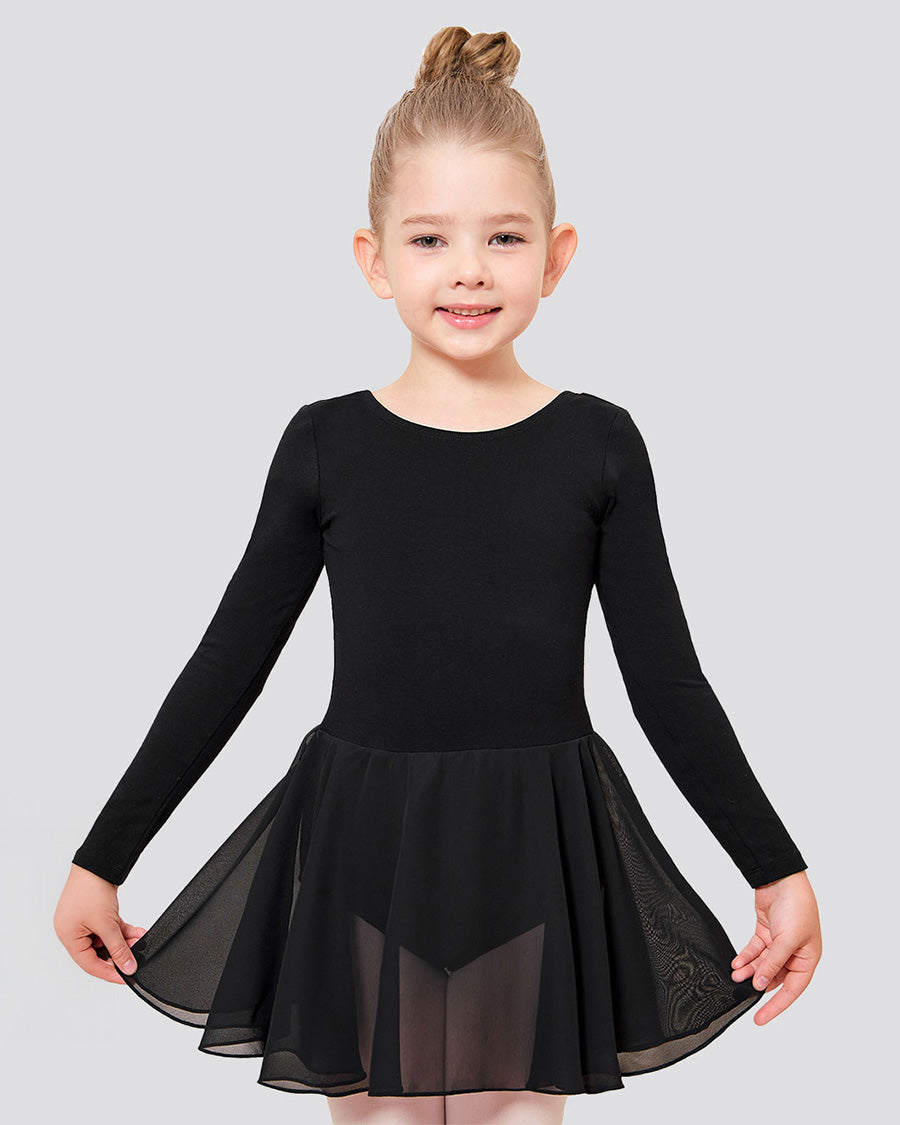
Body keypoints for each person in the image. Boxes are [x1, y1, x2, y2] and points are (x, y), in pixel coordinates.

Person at [54, 25, 822, 1125]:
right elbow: (228, 663)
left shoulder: (598, 444)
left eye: (504, 236)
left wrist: (775, 866)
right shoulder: (327, 444)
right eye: (430, 239)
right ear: (374, 259)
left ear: (557, 255)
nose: (469, 268)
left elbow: (668, 683)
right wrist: (103, 857)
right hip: (366, 841)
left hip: (536, 844)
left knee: (516, 1112)